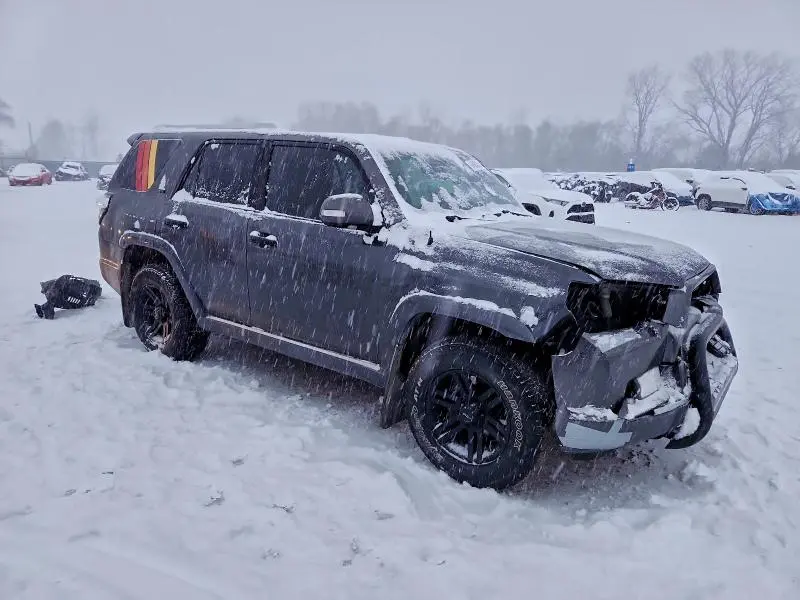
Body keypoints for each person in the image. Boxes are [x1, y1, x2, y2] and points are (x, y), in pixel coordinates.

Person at [34, 275, 102, 319]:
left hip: (88, 295)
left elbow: (65, 278)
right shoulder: (56, 296)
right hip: (87, 296)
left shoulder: (58, 286)